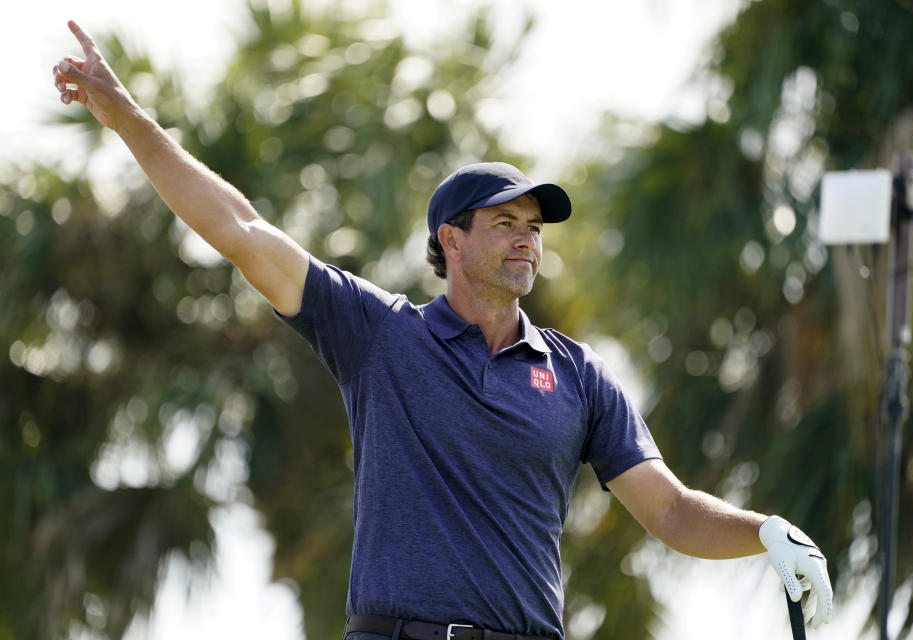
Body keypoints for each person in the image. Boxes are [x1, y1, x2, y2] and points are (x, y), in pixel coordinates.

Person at [52, 20, 833, 640]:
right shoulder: (379, 335)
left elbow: (668, 510)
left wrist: (766, 532)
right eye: (505, 223)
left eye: (534, 226)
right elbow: (243, 229)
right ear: (450, 242)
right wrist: (128, 117)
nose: (527, 238)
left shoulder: (578, 375)